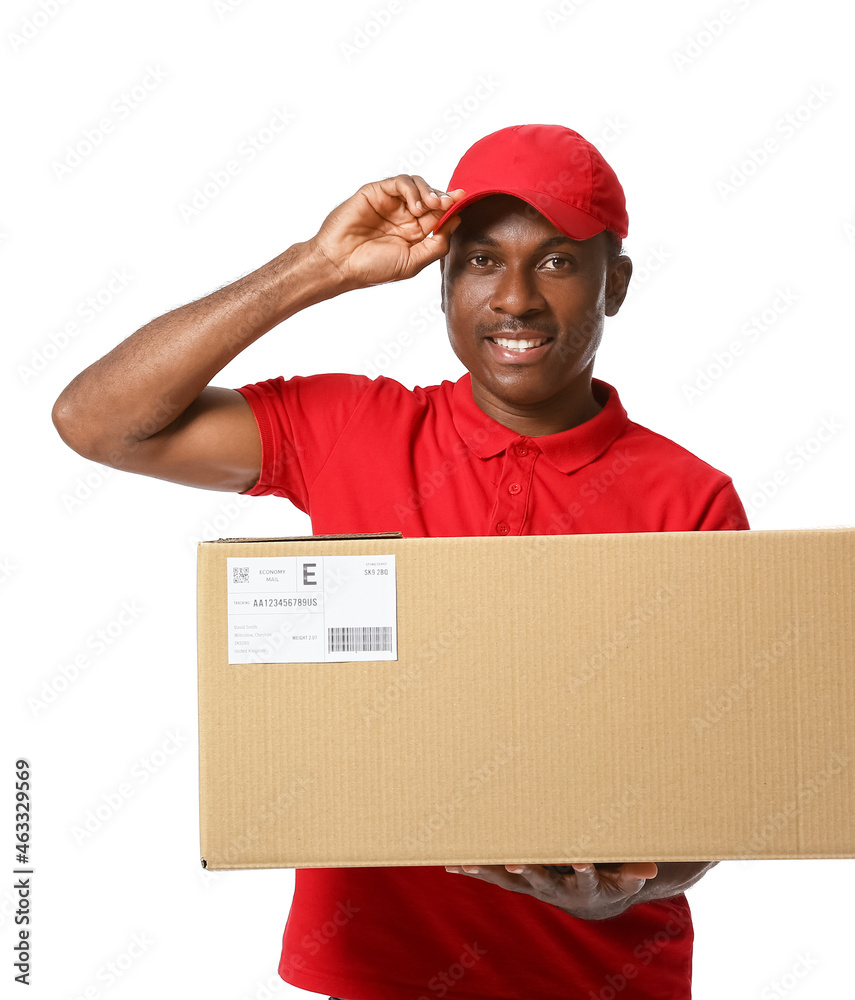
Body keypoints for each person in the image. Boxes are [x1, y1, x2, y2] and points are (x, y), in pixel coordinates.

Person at [53, 124, 749, 1000]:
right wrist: (315, 267)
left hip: (603, 977)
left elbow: (726, 779)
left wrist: (639, 883)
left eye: (559, 262)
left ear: (616, 282)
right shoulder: (353, 429)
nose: (517, 298)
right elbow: (98, 422)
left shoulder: (689, 497)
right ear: (444, 281)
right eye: (482, 260)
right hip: (375, 973)